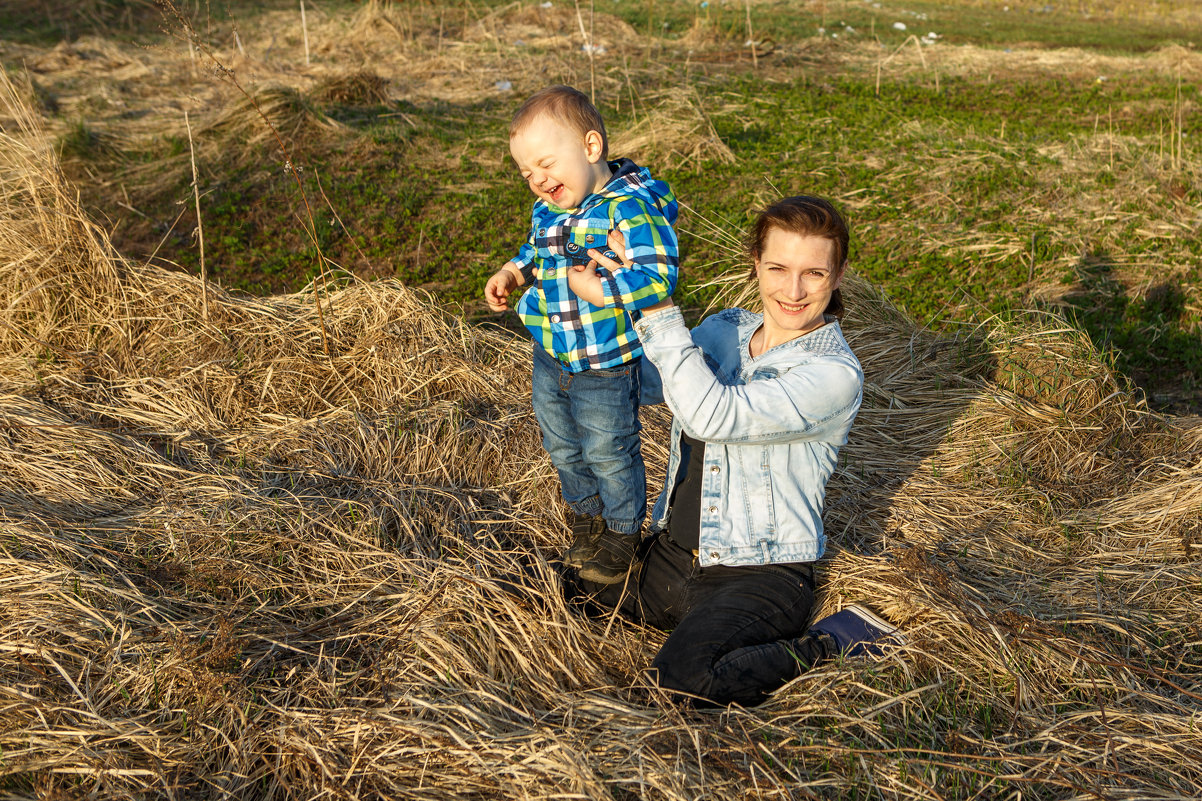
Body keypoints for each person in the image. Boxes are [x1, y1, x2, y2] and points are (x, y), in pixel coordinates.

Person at [561, 195, 903, 707]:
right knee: (546, 587)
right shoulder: (726, 330)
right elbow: (649, 383)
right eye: (778, 268)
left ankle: (829, 642)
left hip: (757, 576)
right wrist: (614, 298)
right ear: (756, 264)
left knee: (681, 683)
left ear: (839, 274)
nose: (793, 290)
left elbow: (711, 413)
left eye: (813, 273)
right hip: (669, 558)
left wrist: (656, 307)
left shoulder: (832, 374)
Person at [483, 85, 679, 584]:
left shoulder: (630, 210)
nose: (537, 179)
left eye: (546, 164)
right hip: (552, 354)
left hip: (606, 360)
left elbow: (659, 275)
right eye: (527, 173)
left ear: (591, 149)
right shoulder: (550, 211)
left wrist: (605, 291)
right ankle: (587, 516)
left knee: (608, 448)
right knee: (562, 443)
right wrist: (511, 272)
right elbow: (535, 249)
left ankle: (621, 529)